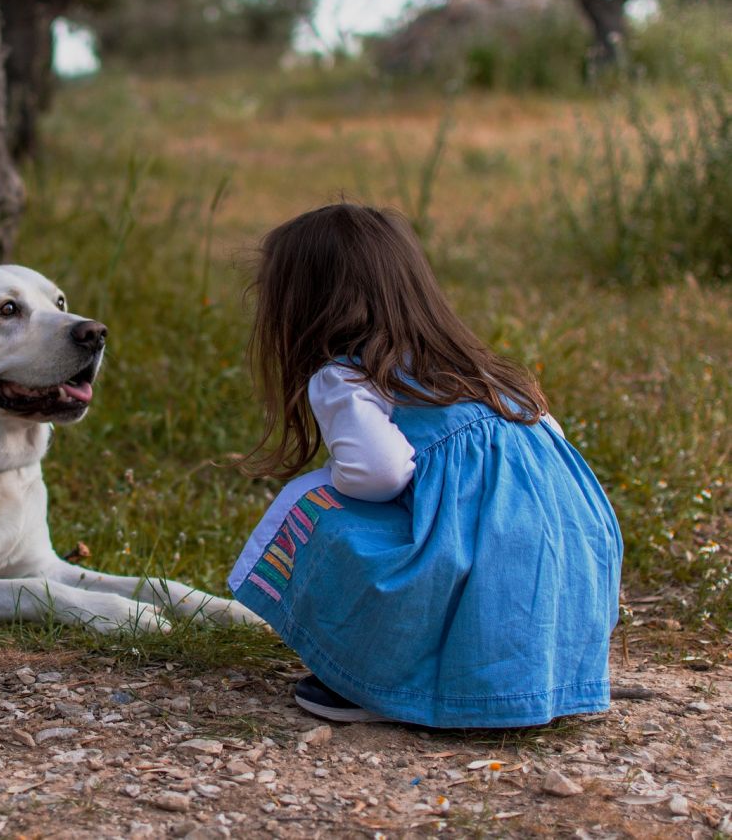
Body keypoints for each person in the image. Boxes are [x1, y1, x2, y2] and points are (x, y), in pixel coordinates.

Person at [228, 203, 622, 728]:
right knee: (479, 535)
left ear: (306, 307)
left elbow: (380, 473)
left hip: (478, 568)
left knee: (314, 504)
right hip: (570, 565)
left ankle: (377, 680)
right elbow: (551, 454)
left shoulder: (347, 377)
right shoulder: (482, 371)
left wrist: (337, 482)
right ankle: (530, 676)